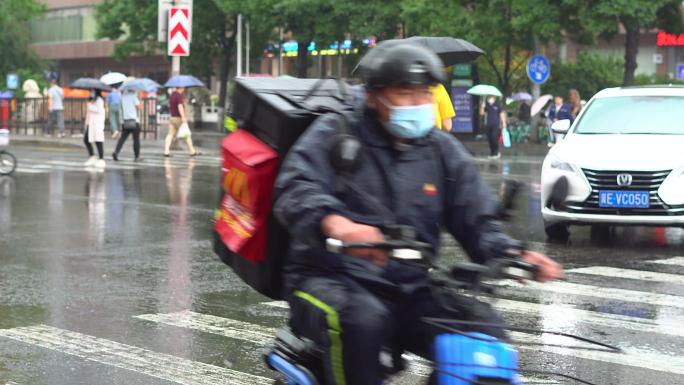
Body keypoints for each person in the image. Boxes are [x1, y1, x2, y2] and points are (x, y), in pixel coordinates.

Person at [274, 43, 564, 385]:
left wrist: (510, 253)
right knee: (361, 322)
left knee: (482, 328)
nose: (419, 104)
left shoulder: (440, 150)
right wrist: (337, 224)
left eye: (425, 94)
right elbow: (295, 187)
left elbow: (476, 215)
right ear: (373, 96)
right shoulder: (335, 133)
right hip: (327, 278)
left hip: (409, 285)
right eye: (405, 93)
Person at [163, 86, 199, 157]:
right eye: (183, 87)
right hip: (179, 118)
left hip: (172, 118)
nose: (184, 89)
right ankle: (192, 151)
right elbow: (180, 106)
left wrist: (184, 102)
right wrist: (183, 117)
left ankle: (166, 151)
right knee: (186, 134)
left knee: (170, 135)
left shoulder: (172, 95)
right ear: (181, 88)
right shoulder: (179, 96)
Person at [112, 89, 142, 162]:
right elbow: (139, 108)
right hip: (134, 121)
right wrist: (140, 101)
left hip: (125, 121)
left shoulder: (122, 97)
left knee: (122, 138)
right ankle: (137, 156)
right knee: (136, 139)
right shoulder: (133, 97)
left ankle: (116, 152)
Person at [84, 90, 106, 168]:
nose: (91, 93)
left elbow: (98, 110)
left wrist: (90, 106)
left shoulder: (99, 100)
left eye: (92, 91)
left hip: (97, 123)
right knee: (86, 139)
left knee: (98, 140)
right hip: (91, 123)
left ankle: (101, 158)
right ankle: (92, 156)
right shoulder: (94, 99)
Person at [480, 95, 507, 159]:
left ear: (494, 98)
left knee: (494, 137)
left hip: (496, 124)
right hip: (488, 124)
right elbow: (482, 113)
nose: (489, 99)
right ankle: (492, 153)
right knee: (490, 139)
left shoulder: (497, 105)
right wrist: (482, 106)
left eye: (491, 98)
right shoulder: (487, 105)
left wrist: (503, 122)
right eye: (489, 98)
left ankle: (496, 152)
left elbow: (501, 113)